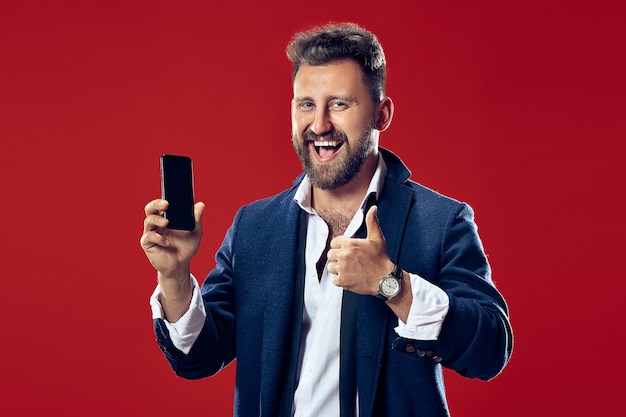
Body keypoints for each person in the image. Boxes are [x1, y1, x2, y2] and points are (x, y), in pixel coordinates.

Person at [141, 22, 513, 417]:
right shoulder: (254, 226)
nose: (319, 125)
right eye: (306, 104)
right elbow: (198, 355)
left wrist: (393, 286)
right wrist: (175, 277)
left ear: (381, 114)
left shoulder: (441, 221)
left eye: (339, 104)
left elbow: (490, 350)